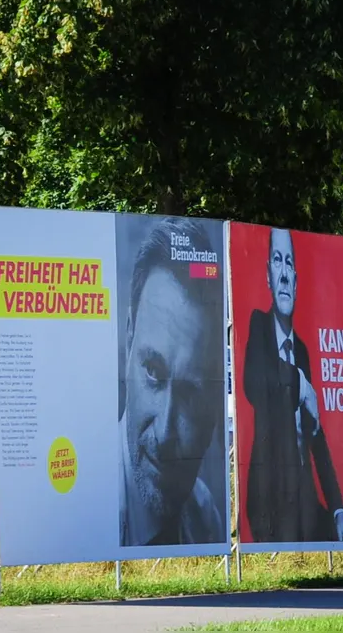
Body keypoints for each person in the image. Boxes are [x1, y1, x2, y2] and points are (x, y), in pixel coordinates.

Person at [243, 227, 343, 543]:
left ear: (296, 279)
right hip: (269, 497)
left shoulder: (302, 350)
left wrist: (338, 509)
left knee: (338, 535)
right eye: (277, 261)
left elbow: (315, 431)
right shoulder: (257, 326)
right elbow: (254, 382)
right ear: (268, 275)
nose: (283, 274)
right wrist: (300, 383)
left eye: (289, 263)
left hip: (304, 499)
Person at [119, 217, 225, 546]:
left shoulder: (206, 518)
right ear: (128, 340)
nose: (165, 433)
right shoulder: (87, 505)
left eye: (191, 393)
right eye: (153, 371)